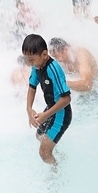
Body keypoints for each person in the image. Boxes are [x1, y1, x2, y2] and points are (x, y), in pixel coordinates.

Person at [22, 33, 72, 166]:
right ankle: (58, 157)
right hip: (51, 109)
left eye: (31, 60)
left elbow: (66, 99)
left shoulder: (53, 69)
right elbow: (32, 87)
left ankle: (57, 176)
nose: (29, 63)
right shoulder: (37, 66)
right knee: (39, 136)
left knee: (43, 152)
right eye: (26, 59)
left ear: (44, 55)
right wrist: (29, 109)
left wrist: (45, 115)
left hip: (61, 113)